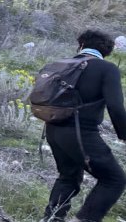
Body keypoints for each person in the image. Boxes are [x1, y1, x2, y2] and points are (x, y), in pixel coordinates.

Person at [42, 29, 126, 222]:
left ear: (80, 45)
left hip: (53, 129)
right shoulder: (107, 69)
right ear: (106, 52)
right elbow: (115, 107)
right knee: (114, 180)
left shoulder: (60, 65)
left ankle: (51, 218)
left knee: (68, 177)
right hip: (81, 133)